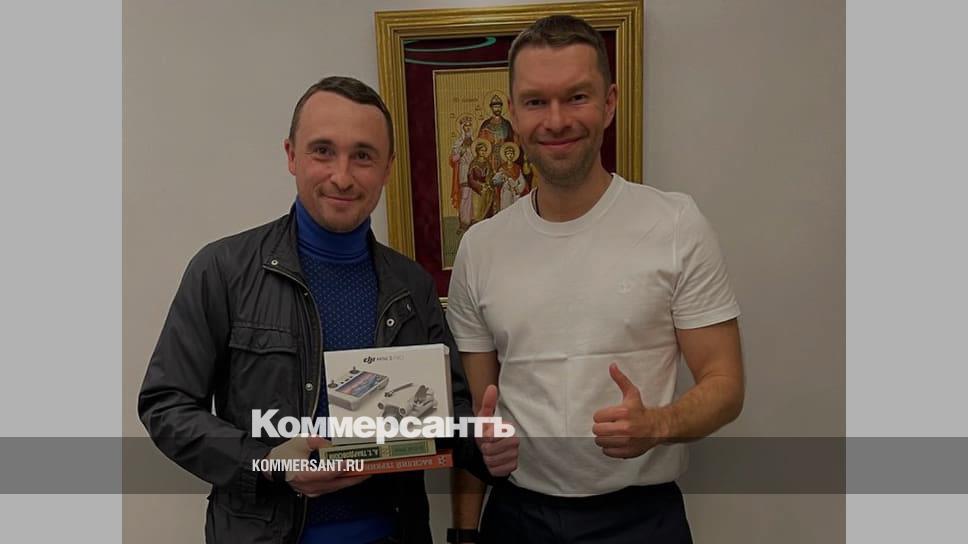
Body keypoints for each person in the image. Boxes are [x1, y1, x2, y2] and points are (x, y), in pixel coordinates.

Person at [138, 76, 517, 544]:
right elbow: (166, 405)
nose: (342, 176)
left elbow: (446, 414)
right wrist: (266, 464)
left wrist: (482, 445)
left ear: (387, 168)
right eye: (323, 151)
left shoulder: (413, 285)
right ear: (291, 155)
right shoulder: (221, 271)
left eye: (363, 155)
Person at [446, 15, 744, 544]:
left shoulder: (676, 224)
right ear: (513, 113)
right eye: (536, 101)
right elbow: (481, 409)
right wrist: (465, 527)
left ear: (609, 103)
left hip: (640, 519)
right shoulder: (480, 247)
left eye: (576, 97)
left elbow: (725, 385)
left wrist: (658, 425)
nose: (556, 120)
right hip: (518, 517)